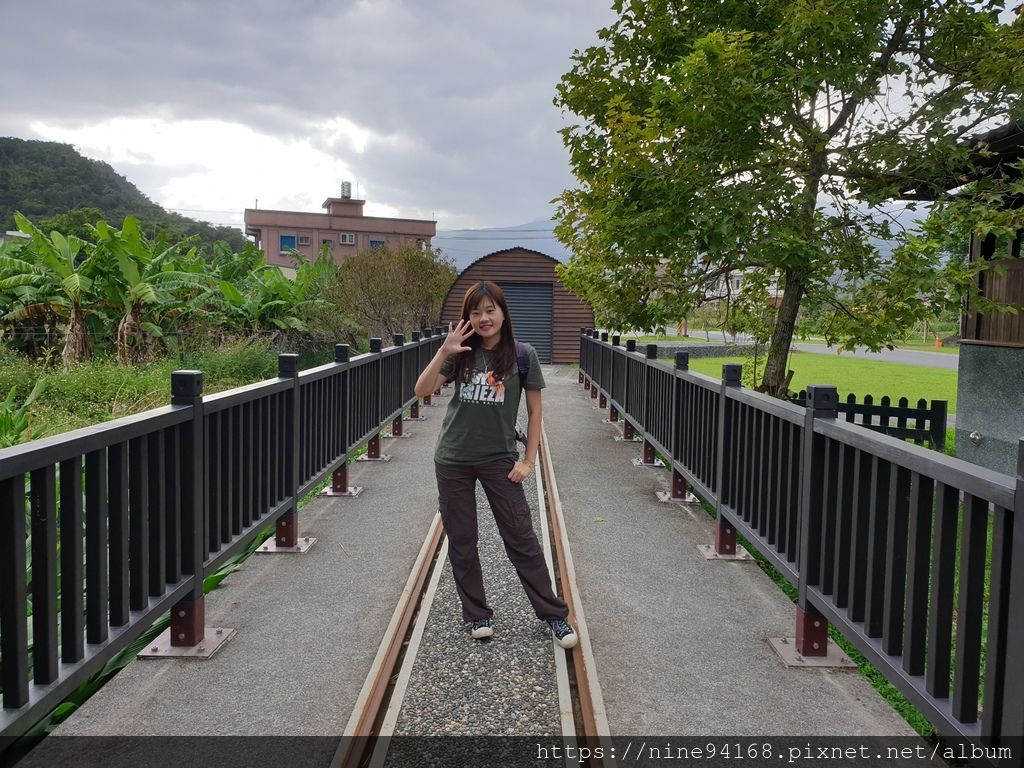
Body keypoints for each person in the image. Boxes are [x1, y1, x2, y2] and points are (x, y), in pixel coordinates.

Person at [414, 281, 578, 649]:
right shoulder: (461, 353)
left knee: (521, 537)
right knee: (463, 539)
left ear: (503, 312)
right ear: (467, 318)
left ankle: (554, 616)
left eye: (490, 310)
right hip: (453, 458)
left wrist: (528, 460)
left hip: (499, 459)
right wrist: (444, 350)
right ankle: (477, 614)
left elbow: (535, 412)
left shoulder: (523, 355)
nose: (483, 318)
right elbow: (421, 391)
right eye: (475, 312)